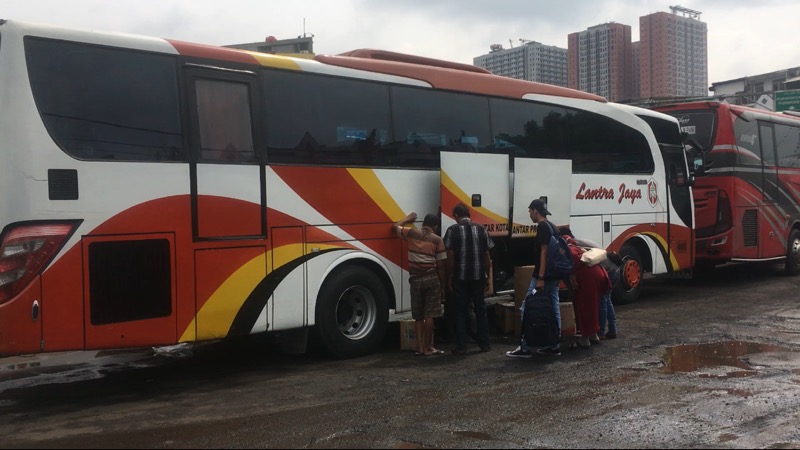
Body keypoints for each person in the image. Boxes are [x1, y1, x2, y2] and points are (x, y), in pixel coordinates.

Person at [506, 198, 562, 358]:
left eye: (530, 211)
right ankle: (554, 345)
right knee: (554, 307)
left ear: (535, 211)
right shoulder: (553, 226)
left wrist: (541, 278)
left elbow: (544, 253)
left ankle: (525, 347)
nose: (529, 214)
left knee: (526, 307)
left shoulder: (543, 228)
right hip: (555, 275)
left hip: (543, 275)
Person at [393, 212, 448, 356]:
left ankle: (420, 348)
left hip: (415, 280)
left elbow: (395, 227)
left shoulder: (411, 233)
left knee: (418, 316)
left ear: (423, 224)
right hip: (431, 278)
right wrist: (443, 286)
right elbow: (441, 265)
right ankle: (429, 347)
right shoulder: (437, 240)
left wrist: (407, 219)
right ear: (435, 226)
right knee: (430, 315)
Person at [443, 203, 493, 354]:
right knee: (480, 310)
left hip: (460, 277)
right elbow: (487, 256)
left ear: (457, 215)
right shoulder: (481, 229)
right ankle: (484, 344)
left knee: (461, 311)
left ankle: (462, 346)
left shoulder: (452, 230)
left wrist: (450, 276)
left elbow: (450, 255)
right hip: (478, 277)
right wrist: (488, 276)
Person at [563, 234, 610, 349]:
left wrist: (573, 277)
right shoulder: (579, 247)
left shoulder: (569, 249)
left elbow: (575, 263)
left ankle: (585, 339)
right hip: (599, 274)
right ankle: (593, 335)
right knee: (592, 307)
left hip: (588, 278)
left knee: (584, 307)